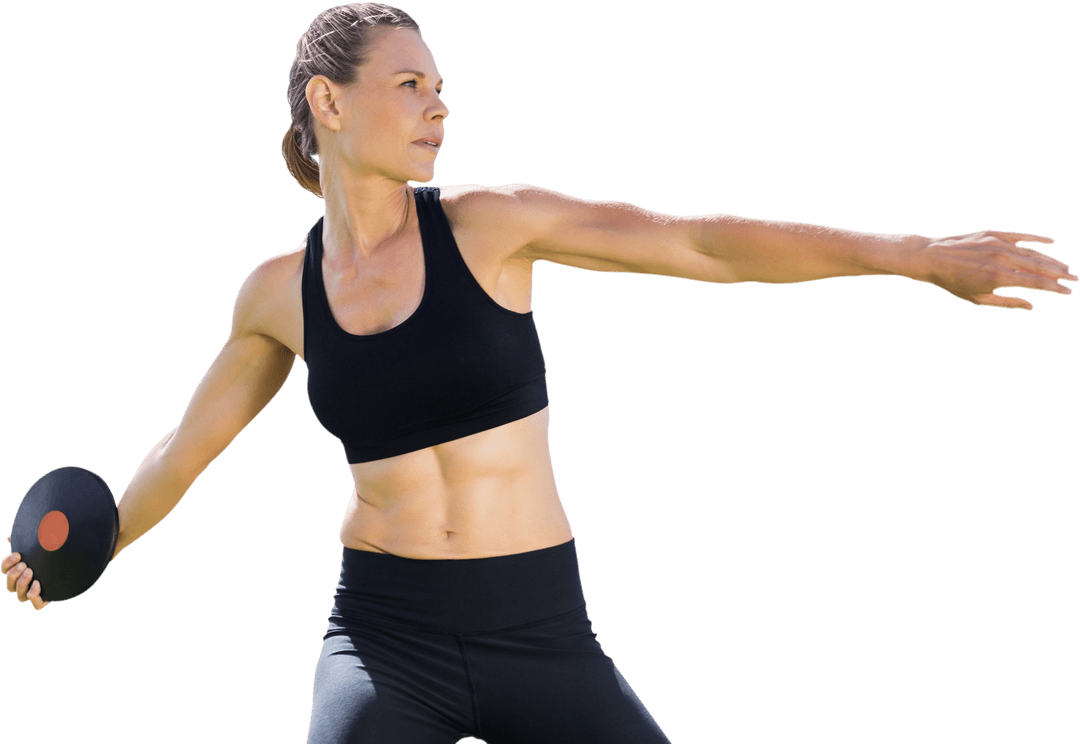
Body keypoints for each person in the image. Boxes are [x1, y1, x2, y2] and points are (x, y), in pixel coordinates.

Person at [3, 2, 1074, 742]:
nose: (439, 107)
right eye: (409, 84)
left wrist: (914, 255)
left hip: (537, 625)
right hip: (383, 634)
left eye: (442, 87)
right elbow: (186, 449)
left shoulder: (489, 226)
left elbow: (698, 242)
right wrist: (90, 548)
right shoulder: (277, 293)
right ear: (328, 105)